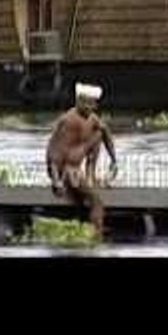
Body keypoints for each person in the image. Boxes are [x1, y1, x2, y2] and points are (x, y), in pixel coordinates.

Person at [45, 82, 118, 234]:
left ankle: (91, 175)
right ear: (78, 101)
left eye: (91, 104)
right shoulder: (68, 121)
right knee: (97, 202)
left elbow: (105, 132)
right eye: (84, 102)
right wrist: (56, 180)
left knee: (98, 133)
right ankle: (94, 235)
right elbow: (54, 153)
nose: (88, 107)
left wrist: (113, 160)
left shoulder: (92, 119)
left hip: (77, 167)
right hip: (65, 169)